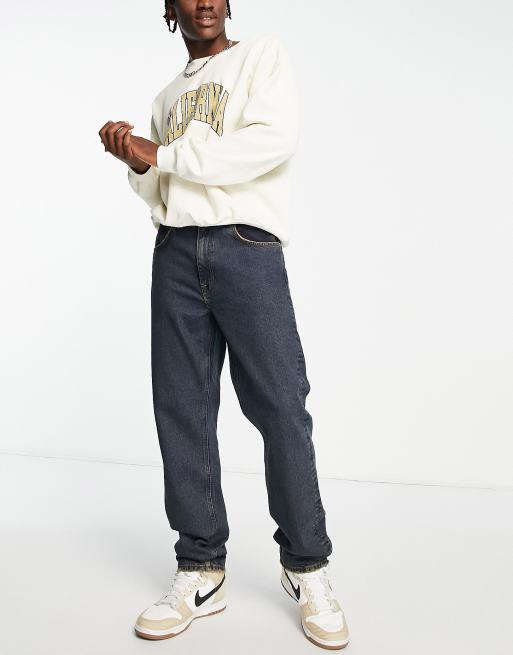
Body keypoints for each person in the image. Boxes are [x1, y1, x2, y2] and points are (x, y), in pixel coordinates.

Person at [99, 0, 350, 649]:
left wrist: (163, 152)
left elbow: (268, 144)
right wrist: (138, 162)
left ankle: (307, 566)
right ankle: (200, 566)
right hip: (175, 251)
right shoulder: (165, 97)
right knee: (181, 408)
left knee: (280, 406)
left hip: (246, 246)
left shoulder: (261, 57)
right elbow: (162, 190)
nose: (205, 2)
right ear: (170, 9)